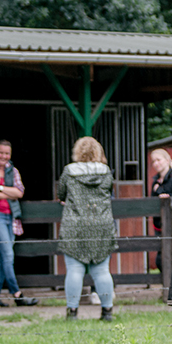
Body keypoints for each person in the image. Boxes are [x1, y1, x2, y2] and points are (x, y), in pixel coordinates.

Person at [58, 136, 117, 321]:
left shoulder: (69, 171)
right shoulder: (106, 171)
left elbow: (61, 193)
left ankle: (72, 313)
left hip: (75, 225)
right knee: (101, 271)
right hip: (101, 224)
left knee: (74, 270)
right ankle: (107, 312)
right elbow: (109, 191)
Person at [0, 140, 38, 307]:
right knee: (8, 254)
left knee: (3, 257)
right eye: (1, 153)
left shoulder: (14, 170)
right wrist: (7, 191)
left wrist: (0, 188)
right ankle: (17, 294)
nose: (4, 156)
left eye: (7, 153)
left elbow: (19, 191)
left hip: (11, 218)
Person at [149, 148, 172, 270]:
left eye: (159, 160)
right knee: (161, 258)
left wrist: (160, 192)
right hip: (159, 224)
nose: (156, 163)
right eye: (153, 161)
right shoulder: (155, 181)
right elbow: (152, 202)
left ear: (167, 160)